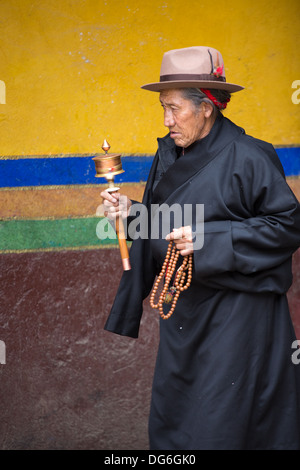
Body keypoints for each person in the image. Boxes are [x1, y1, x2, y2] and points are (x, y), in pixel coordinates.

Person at [100, 46, 300, 450]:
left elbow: (287, 226)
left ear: (207, 106)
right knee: (176, 415)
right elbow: (165, 225)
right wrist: (131, 213)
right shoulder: (169, 156)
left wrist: (209, 240)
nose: (167, 120)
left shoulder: (251, 155)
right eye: (162, 108)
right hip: (185, 314)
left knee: (223, 421)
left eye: (175, 109)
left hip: (240, 317)